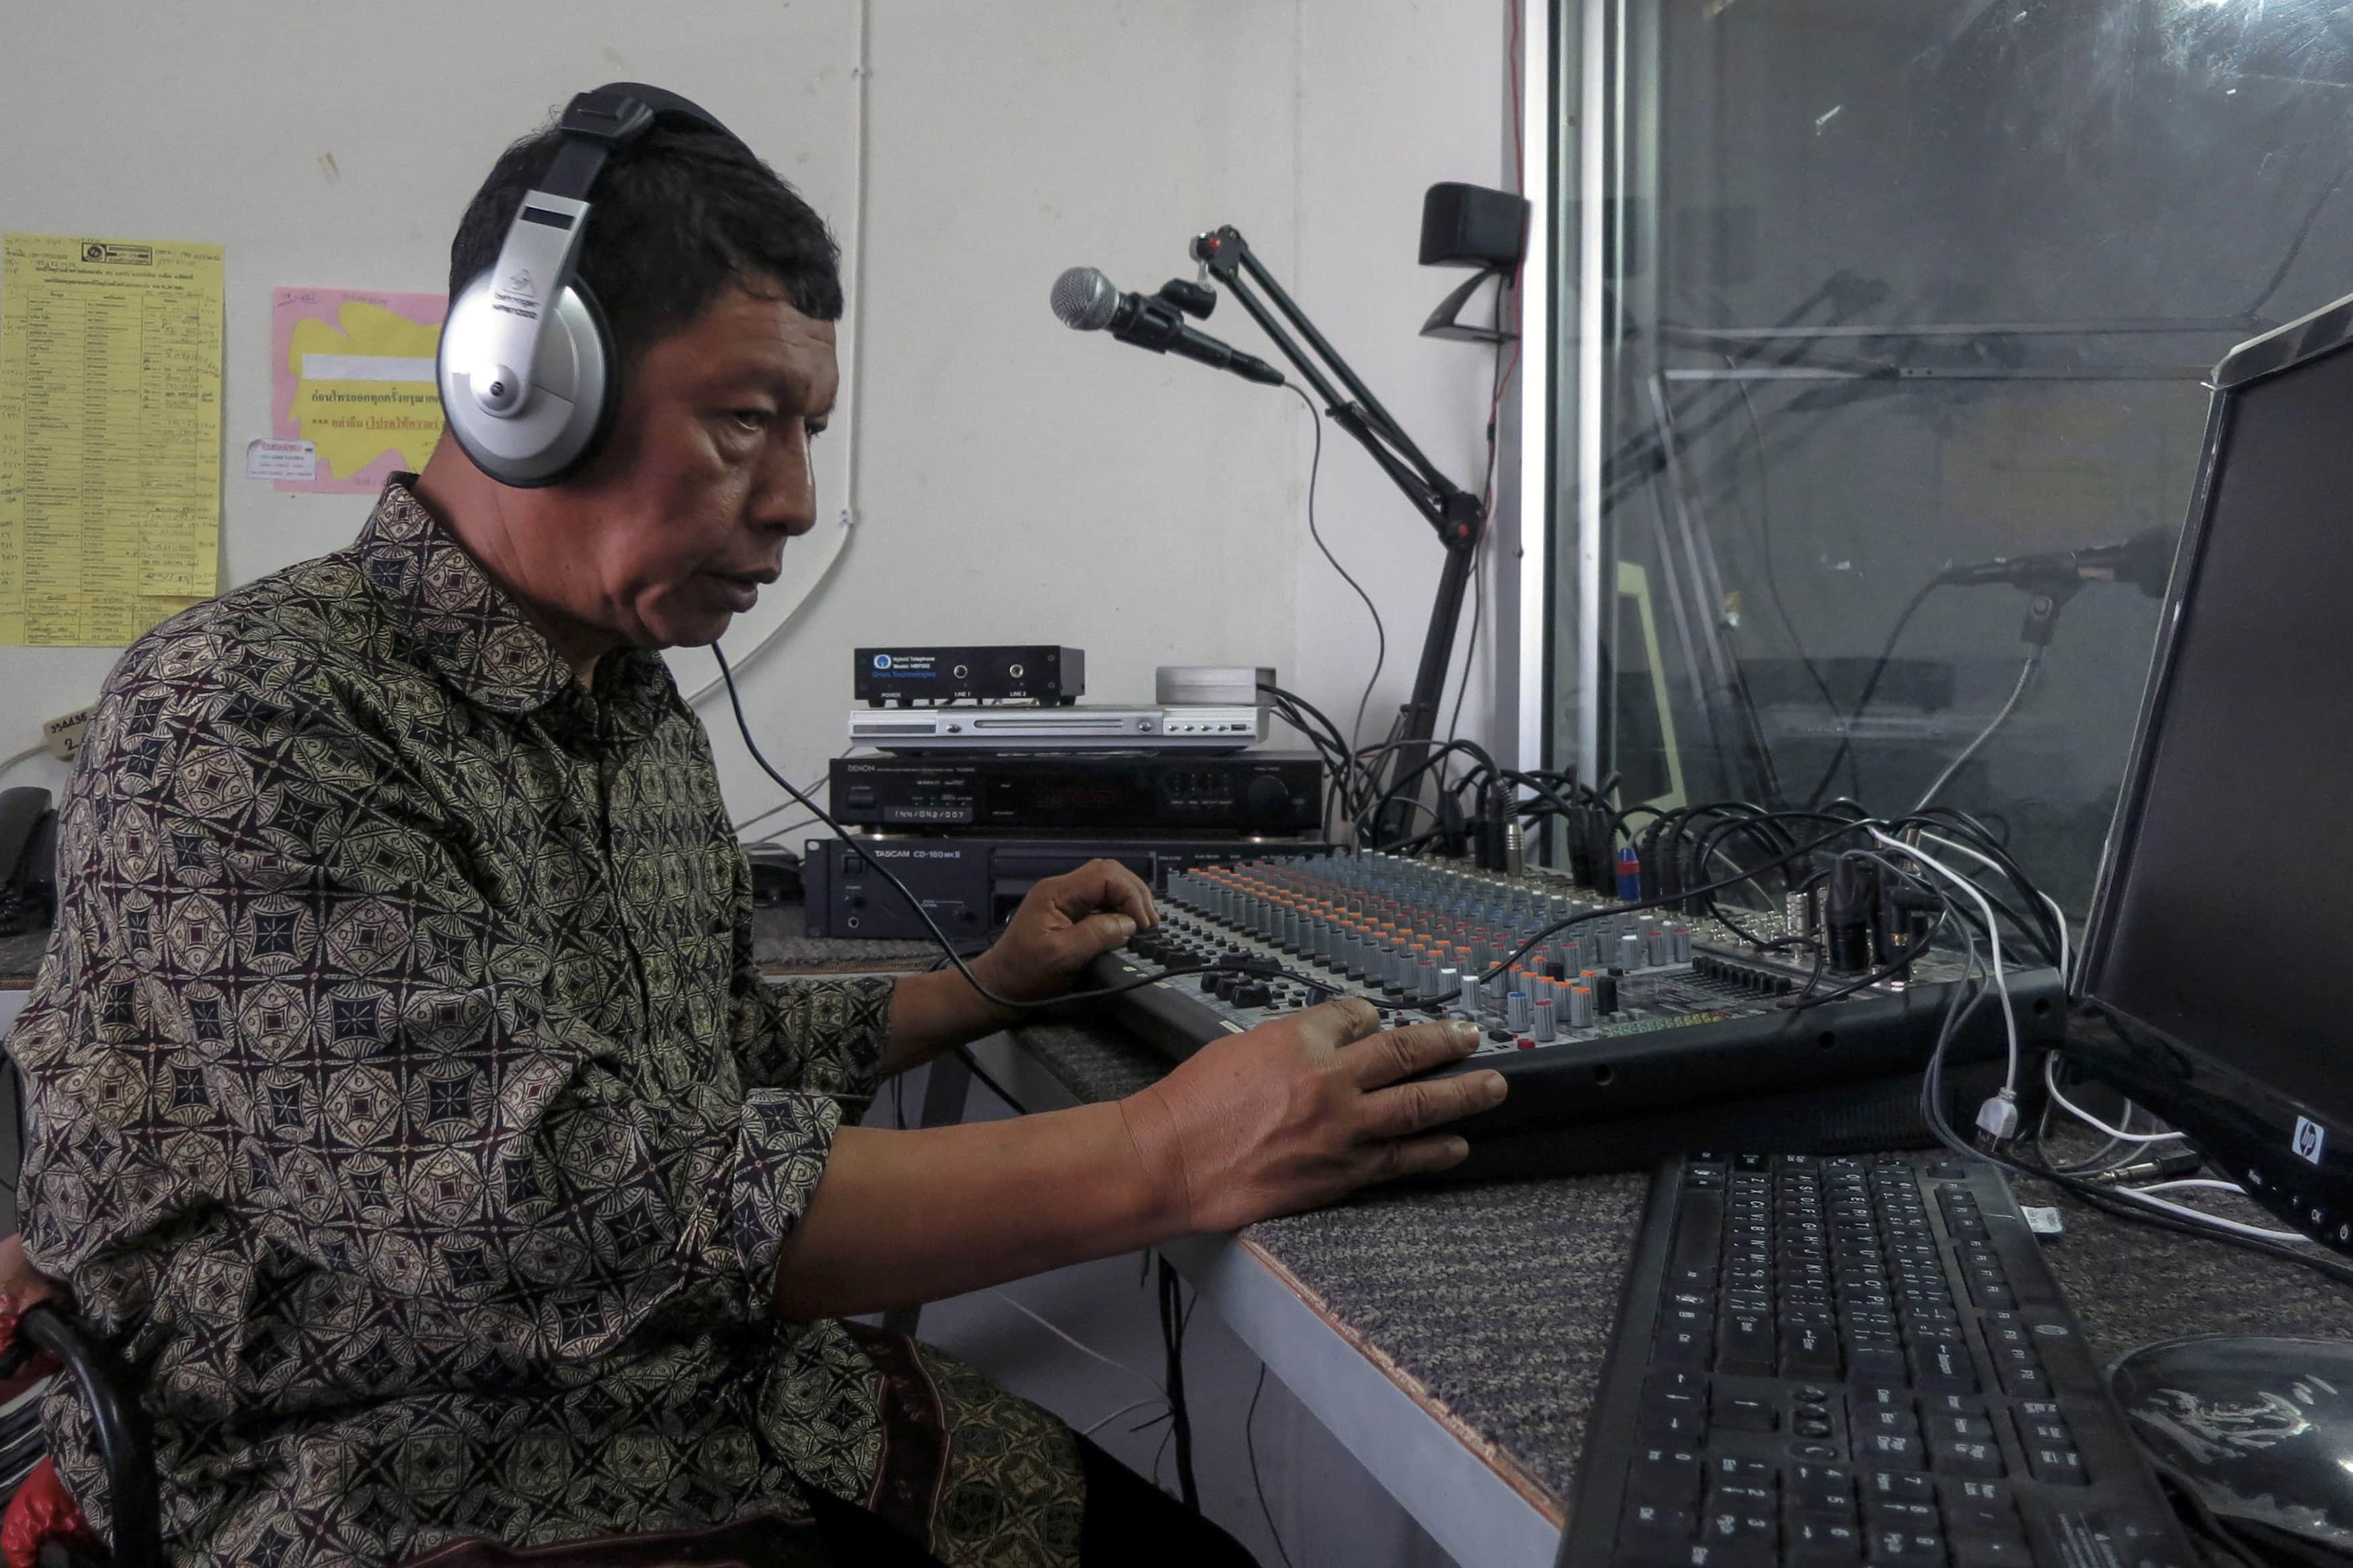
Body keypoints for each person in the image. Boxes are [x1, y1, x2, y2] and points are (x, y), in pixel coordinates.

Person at [7, 101, 1507, 1568]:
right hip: (384, 1475)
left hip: (721, 1401)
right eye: (744, 422)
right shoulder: (247, 712)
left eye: (810, 431)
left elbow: (705, 1060)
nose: (793, 502)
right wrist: (1161, 1155)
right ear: (521, 387)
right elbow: (547, 1209)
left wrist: (984, 985)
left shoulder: (631, 702)